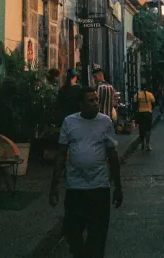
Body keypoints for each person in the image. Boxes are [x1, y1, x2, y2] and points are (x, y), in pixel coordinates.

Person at [49, 87, 123, 258]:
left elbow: (112, 156)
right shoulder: (70, 122)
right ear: (81, 104)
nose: (95, 103)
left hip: (99, 187)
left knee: (98, 234)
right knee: (72, 230)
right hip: (76, 187)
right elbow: (61, 155)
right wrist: (54, 186)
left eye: (96, 100)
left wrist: (118, 187)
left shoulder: (105, 122)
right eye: (90, 100)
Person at [134, 84, 156, 151]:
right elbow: (153, 103)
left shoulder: (137, 95)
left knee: (141, 128)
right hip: (148, 113)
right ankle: (147, 144)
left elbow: (135, 104)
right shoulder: (150, 95)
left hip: (140, 113)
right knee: (148, 129)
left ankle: (142, 143)